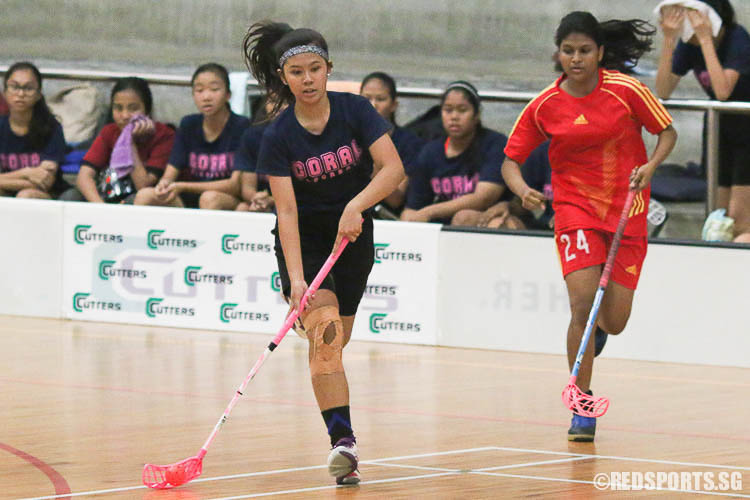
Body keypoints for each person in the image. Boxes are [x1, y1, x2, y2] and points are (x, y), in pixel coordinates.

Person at [500, 11, 677, 442]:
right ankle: (582, 405)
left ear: (599, 53)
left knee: (613, 321)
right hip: (575, 211)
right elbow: (510, 161)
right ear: (557, 54)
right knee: (582, 304)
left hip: (626, 213)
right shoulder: (545, 104)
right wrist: (523, 190)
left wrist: (651, 166)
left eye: (584, 51)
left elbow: (667, 133)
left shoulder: (626, 90)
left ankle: (597, 333)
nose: (575, 59)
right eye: (567, 51)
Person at [244, 21, 404, 484]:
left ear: (329, 69)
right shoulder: (277, 136)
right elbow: (287, 212)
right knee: (327, 333)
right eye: (297, 72)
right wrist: (295, 279)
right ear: (284, 77)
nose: (308, 79)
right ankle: (344, 445)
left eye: (316, 69)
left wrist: (356, 205)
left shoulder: (356, 111)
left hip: (353, 238)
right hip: (309, 244)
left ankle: (339, 429)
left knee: (335, 342)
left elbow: (392, 169)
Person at [655, 0, 750, 243]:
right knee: (717, 222)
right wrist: (668, 40)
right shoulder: (690, 45)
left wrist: (706, 40)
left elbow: (722, 91)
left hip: (746, 128)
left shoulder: (737, 39)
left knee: (740, 225)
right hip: (721, 130)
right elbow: (663, 90)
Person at [134, 63, 249, 209]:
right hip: (188, 197)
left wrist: (182, 186)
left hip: (225, 199)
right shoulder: (188, 124)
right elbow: (170, 173)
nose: (206, 97)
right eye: (199, 90)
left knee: (209, 198)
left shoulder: (241, 126)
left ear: (228, 95)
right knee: (145, 195)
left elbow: (235, 185)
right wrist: (164, 184)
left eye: (214, 89)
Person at [401, 81, 509, 225]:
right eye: (448, 110)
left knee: (463, 217)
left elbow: (483, 198)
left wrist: (429, 212)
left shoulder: (495, 144)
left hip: (489, 219)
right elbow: (414, 206)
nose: (454, 117)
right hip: (442, 227)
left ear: (476, 115)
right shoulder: (430, 152)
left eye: (462, 110)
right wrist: (409, 217)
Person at [61, 77, 174, 203]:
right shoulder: (110, 132)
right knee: (70, 196)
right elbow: (84, 177)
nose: (125, 115)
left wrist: (129, 143)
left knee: (135, 199)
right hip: (110, 193)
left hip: (142, 198)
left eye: (133, 108)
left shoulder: (164, 135)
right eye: (118, 108)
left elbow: (143, 186)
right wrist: (101, 206)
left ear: (147, 110)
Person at [360, 72, 425, 215]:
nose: (373, 105)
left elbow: (396, 198)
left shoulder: (410, 143)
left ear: (394, 105)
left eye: (381, 99)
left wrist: (368, 158)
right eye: (366, 98)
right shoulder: (346, 136)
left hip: (387, 218)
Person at [0, 62, 66, 199]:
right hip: (7, 190)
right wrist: (27, 172)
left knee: (25, 196)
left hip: (45, 194)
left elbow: (45, 182)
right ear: (5, 92)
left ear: (38, 94)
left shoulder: (52, 128)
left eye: (28, 88)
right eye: (14, 87)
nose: (20, 93)